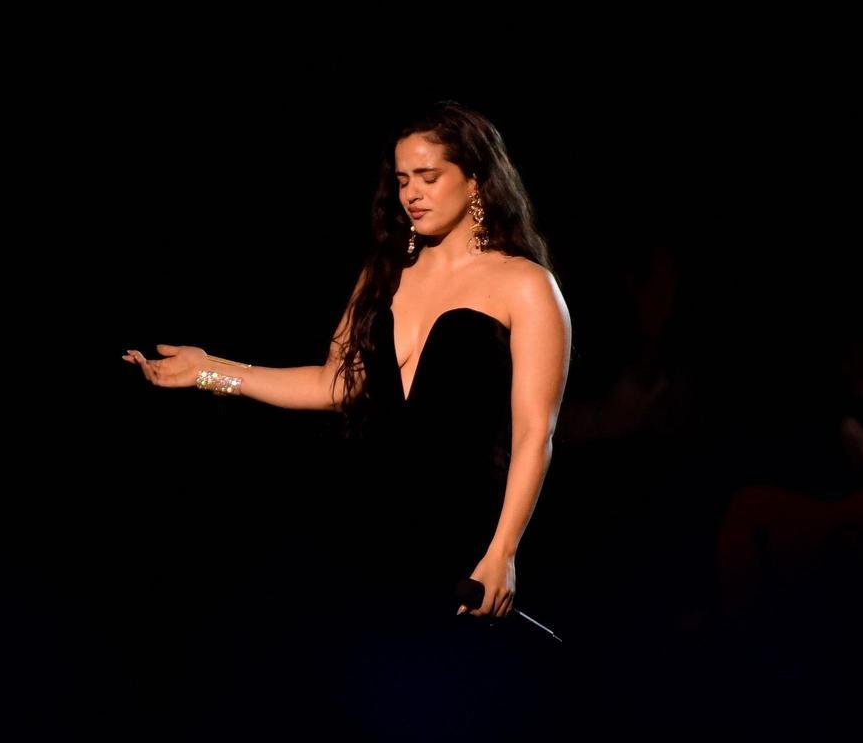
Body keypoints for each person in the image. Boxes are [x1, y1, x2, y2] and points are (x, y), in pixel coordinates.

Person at [124, 101, 572, 736]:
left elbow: (535, 432)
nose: (411, 194)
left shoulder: (524, 285)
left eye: (428, 176)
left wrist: (503, 551)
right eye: (401, 179)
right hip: (368, 537)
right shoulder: (385, 274)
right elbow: (337, 384)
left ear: (476, 179)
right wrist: (209, 371)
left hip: (463, 545)